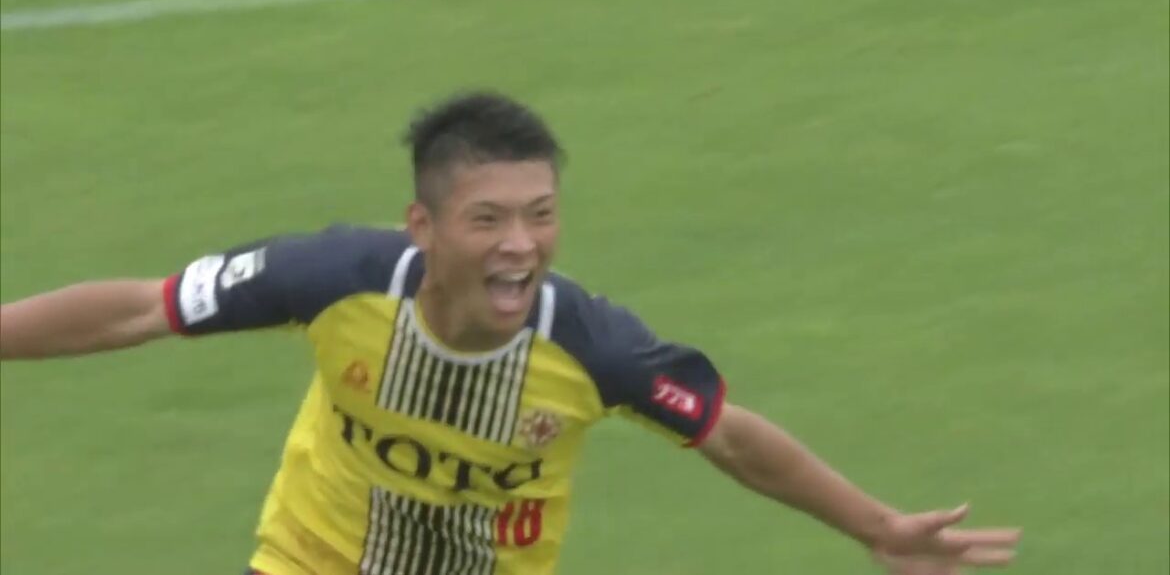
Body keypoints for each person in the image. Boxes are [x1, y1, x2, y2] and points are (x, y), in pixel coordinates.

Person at [0, 92, 1020, 575]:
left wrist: (876, 527)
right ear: (424, 225)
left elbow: (731, 438)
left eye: (541, 216)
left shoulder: (593, 350)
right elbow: (143, 306)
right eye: (488, 219)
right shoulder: (332, 280)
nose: (521, 245)